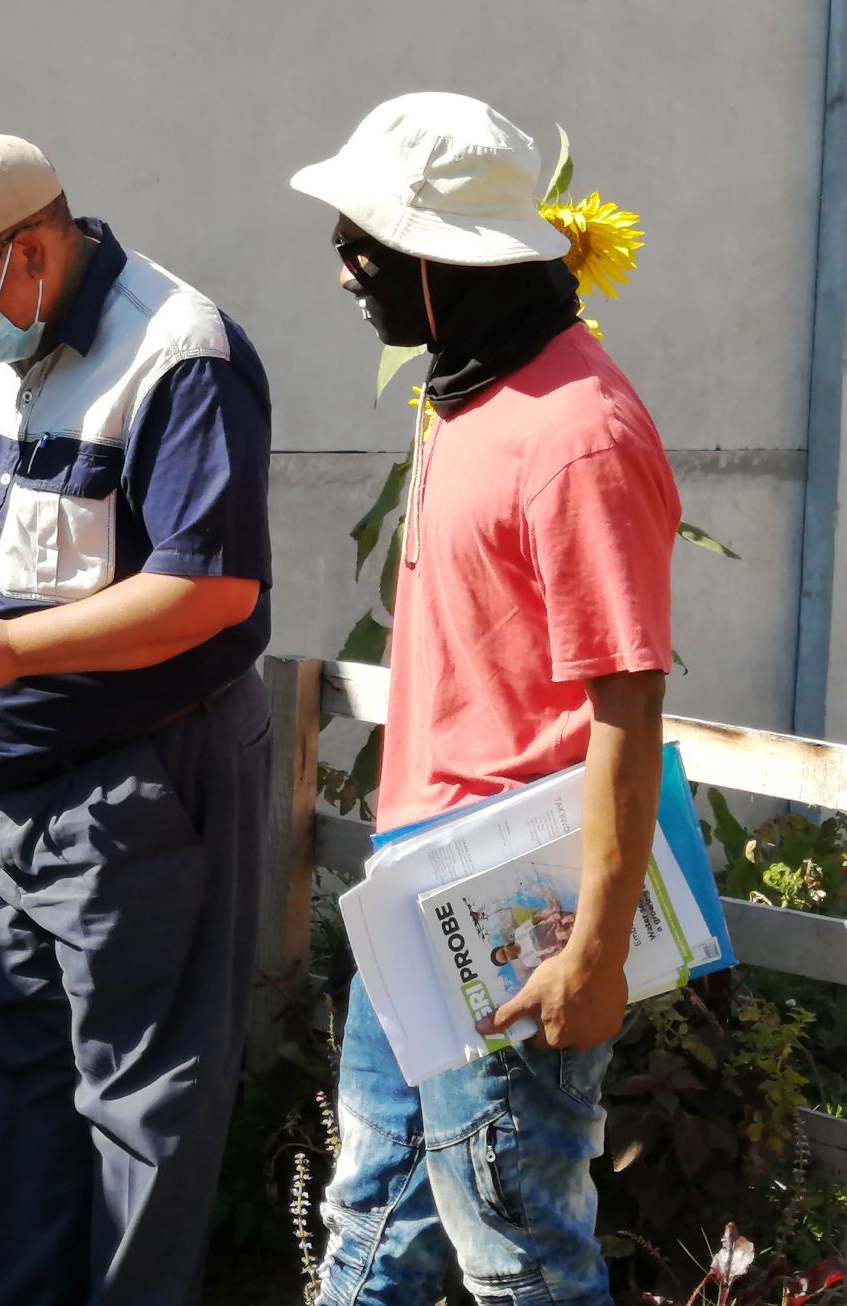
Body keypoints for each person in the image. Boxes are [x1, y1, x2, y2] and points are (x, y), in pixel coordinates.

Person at [0, 133, 273, 1305]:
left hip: (138, 786)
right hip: (16, 802)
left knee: (144, 1104)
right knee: (33, 1083)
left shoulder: (180, 352)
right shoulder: (0, 342)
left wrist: (7, 650)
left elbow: (212, 589)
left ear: (27, 249)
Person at [290, 93, 680, 1305]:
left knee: (519, 1254)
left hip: (521, 915)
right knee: (368, 1225)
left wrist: (596, 954)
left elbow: (626, 706)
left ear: (456, 264)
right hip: (417, 894)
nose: (347, 266)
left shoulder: (578, 434)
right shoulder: (467, 390)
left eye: (373, 245)